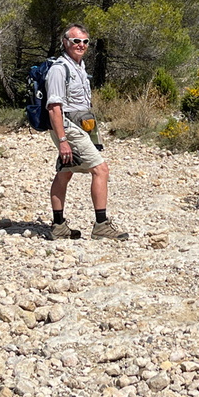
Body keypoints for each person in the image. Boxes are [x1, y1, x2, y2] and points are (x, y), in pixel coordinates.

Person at [45, 23, 128, 241]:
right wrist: (62, 140)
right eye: (76, 41)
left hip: (81, 126)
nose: (81, 45)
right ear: (65, 43)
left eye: (85, 41)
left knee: (65, 171)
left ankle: (58, 226)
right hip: (68, 128)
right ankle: (101, 225)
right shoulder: (58, 69)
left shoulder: (79, 67)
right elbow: (54, 107)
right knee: (101, 170)